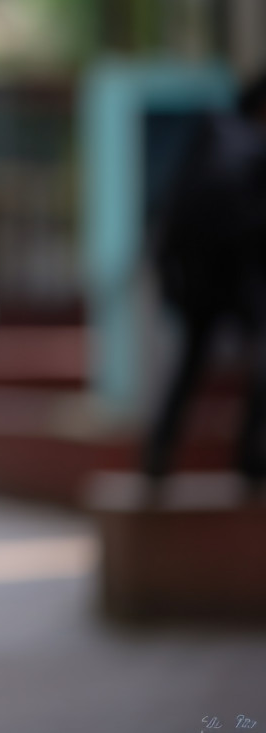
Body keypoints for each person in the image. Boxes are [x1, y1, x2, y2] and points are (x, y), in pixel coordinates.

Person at [143, 73, 266, 487]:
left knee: (190, 366)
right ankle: (250, 457)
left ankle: (159, 453)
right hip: (236, 282)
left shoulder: (212, 140)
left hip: (198, 284)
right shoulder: (245, 146)